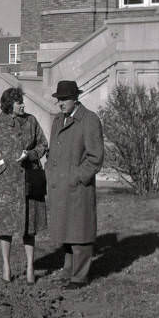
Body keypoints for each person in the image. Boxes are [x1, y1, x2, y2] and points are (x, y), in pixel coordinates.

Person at [0, 87, 48, 285]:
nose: (23, 105)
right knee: (5, 226)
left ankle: (30, 266)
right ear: (9, 104)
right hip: (4, 184)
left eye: (22, 101)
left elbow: (42, 145)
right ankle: (6, 265)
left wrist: (30, 155)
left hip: (28, 180)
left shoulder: (31, 121)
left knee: (29, 226)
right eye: (19, 102)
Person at [46, 80, 104, 289]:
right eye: (58, 99)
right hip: (60, 186)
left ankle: (79, 277)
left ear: (75, 98)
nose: (61, 103)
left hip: (78, 187)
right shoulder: (58, 121)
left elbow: (95, 157)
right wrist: (50, 173)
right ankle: (68, 271)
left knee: (80, 232)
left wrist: (77, 177)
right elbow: (53, 153)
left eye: (65, 99)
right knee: (66, 231)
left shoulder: (89, 120)